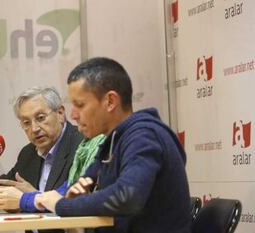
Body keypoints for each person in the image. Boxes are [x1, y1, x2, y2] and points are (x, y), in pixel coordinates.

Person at [35, 57, 191, 233]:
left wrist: (61, 205)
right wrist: (73, 199)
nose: (73, 115)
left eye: (80, 105)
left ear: (110, 101)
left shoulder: (144, 137)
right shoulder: (113, 140)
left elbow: (127, 197)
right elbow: (80, 185)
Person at [0, 87, 83, 217]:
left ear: (60, 113)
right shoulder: (29, 153)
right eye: (26, 123)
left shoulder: (82, 146)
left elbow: (74, 201)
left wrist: (31, 197)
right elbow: (2, 186)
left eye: (40, 118)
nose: (34, 129)